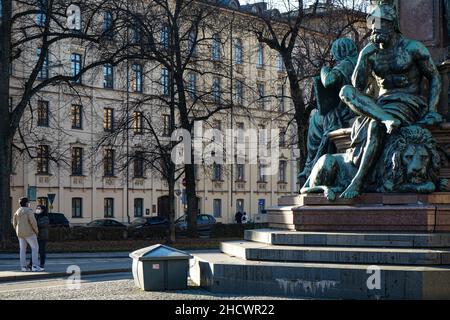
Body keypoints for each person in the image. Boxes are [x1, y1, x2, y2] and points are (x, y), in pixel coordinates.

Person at [338, 2, 442, 199]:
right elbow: (357, 87)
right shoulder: (371, 51)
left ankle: (358, 180)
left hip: (409, 102)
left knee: (374, 126)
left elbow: (435, 76)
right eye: (373, 26)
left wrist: (432, 109)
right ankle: (386, 118)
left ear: (392, 25)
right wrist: (363, 59)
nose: (375, 30)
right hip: (382, 103)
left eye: (380, 24)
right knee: (345, 91)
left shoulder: (412, 48)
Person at [299, 38, 358, 182]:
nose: (335, 56)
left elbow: (329, 80)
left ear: (340, 51)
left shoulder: (347, 64)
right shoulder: (360, 60)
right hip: (353, 106)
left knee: (315, 120)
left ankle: (310, 165)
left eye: (335, 52)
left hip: (348, 110)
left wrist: (324, 70)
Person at [12, 198, 43, 272]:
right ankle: (34, 266)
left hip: (20, 233)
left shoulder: (17, 211)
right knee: (35, 248)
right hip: (29, 233)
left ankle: (23, 267)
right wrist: (36, 231)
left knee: (22, 250)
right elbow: (33, 222)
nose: (29, 203)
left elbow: (14, 223)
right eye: (28, 202)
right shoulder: (29, 211)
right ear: (26, 203)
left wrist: (17, 230)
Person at [28, 205, 49, 270]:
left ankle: (42, 264)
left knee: (42, 251)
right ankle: (31, 264)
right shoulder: (35, 216)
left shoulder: (45, 217)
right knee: (34, 250)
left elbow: (41, 224)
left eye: (39, 208)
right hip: (35, 236)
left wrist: (34, 222)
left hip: (42, 236)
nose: (37, 209)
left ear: (43, 210)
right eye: (37, 208)